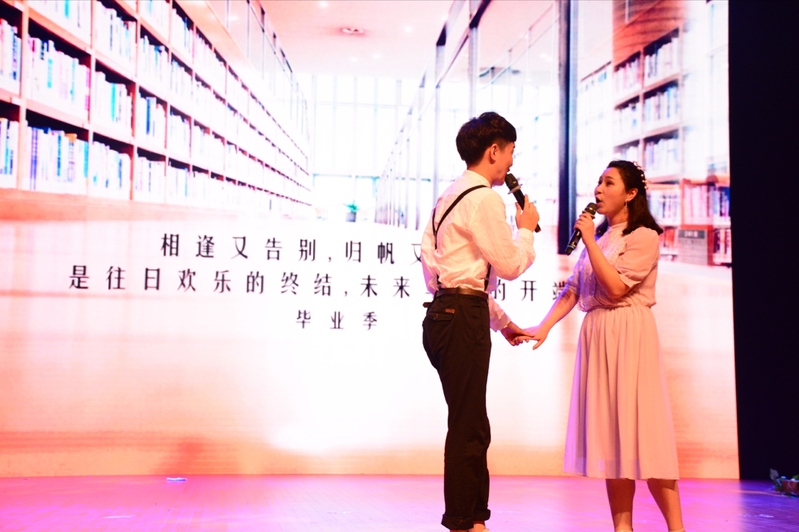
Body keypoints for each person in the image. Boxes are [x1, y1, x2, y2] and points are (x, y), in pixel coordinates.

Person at [519, 160, 686, 532]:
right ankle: (622, 528)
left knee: (645, 435)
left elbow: (615, 287)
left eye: (609, 182)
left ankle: (677, 528)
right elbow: (574, 289)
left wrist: (590, 241)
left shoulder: (643, 236)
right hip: (599, 335)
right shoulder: (602, 237)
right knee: (614, 440)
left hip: (630, 334)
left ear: (630, 194)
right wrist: (544, 326)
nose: (599, 189)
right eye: (599, 181)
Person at [421, 111, 540, 532]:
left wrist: (503, 323)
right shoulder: (486, 199)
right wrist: (526, 230)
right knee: (469, 426)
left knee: (471, 422)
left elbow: (446, 275)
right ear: (493, 151)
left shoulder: (447, 197)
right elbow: (508, 265)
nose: (510, 163)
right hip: (462, 320)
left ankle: (474, 519)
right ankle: (463, 521)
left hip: (441, 316)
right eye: (510, 152)